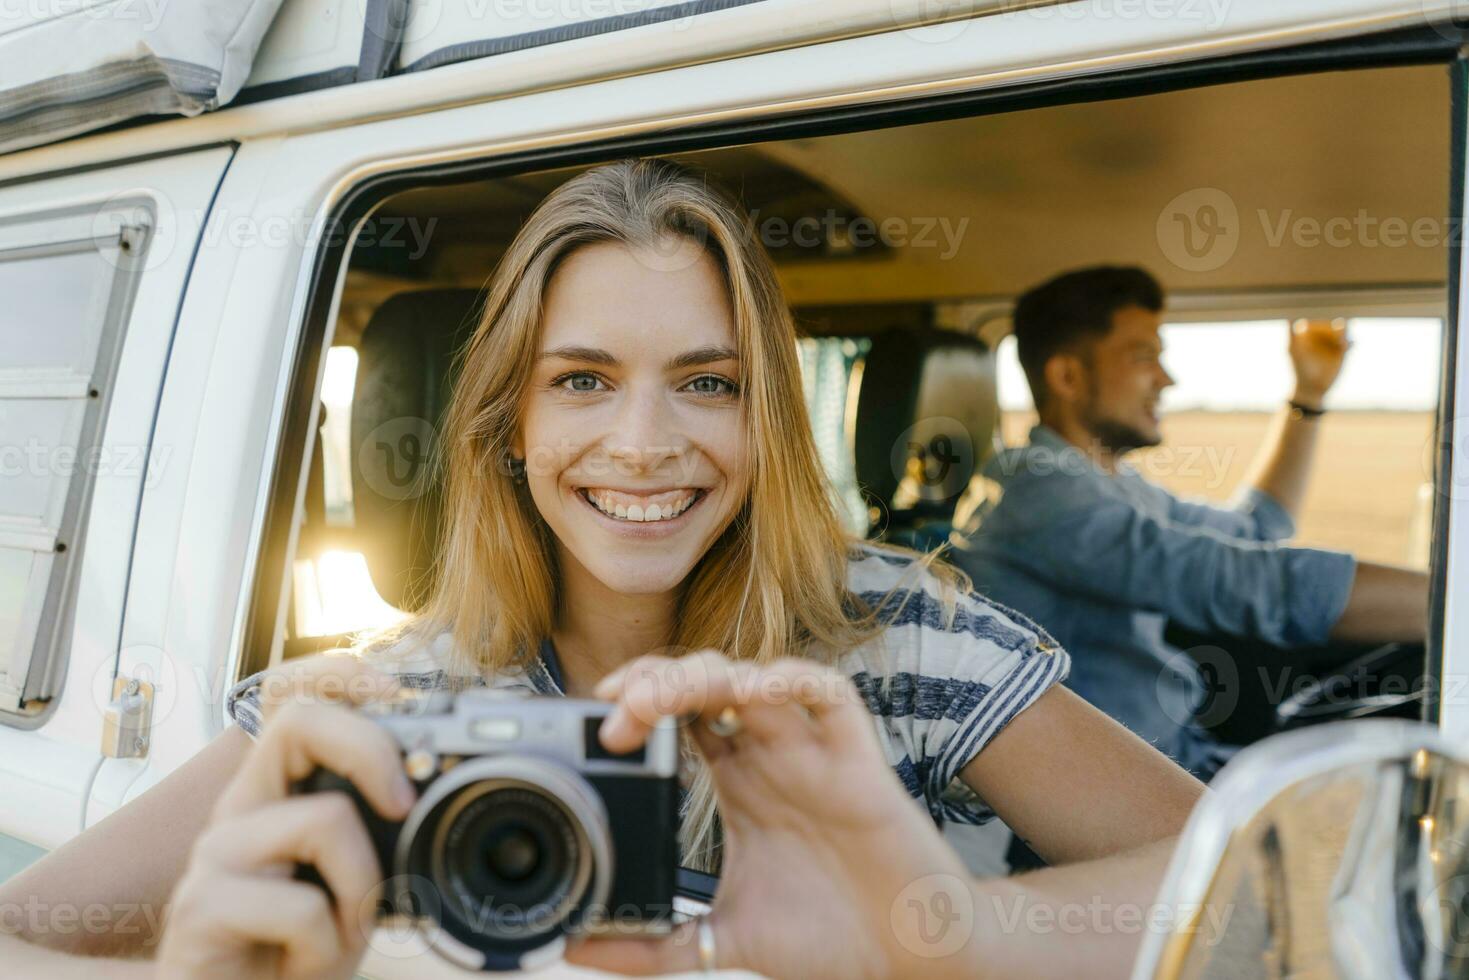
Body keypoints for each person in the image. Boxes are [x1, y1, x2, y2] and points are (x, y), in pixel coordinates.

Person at [0, 163, 1204, 978]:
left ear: (765, 421)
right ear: (507, 423)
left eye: (706, 381)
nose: (643, 442)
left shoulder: (892, 636)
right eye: (581, 379)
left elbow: (1243, 873)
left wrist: (946, 931)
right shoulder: (378, 704)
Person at [952, 265, 1429, 783]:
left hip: (1178, 757)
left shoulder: (1110, 487)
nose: (1166, 378)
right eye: (1144, 357)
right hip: (1118, 792)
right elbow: (1237, 580)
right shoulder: (1035, 492)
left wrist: (1307, 396)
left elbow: (1253, 532)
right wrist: (1452, 604)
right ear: (1067, 376)